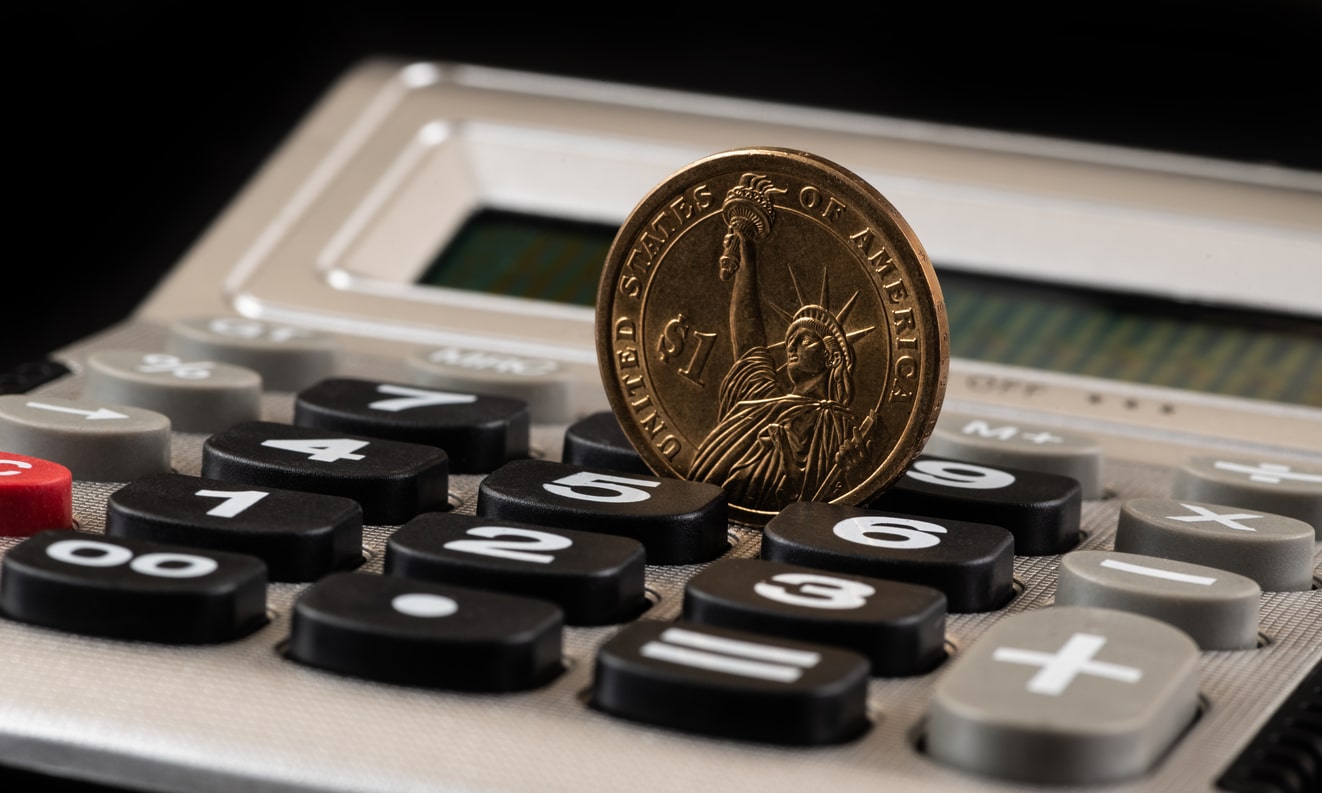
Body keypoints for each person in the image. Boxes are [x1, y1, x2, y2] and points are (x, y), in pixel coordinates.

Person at [690, 175, 874, 511]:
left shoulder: (838, 426)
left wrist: (851, 469)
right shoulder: (759, 396)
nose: (791, 345)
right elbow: (747, 334)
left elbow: (825, 491)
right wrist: (746, 244)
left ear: (831, 356)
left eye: (805, 340)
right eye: (790, 338)